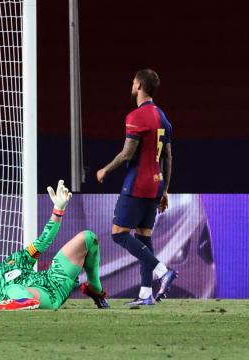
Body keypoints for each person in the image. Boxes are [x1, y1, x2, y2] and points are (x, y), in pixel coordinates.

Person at [0, 180, 110, 310]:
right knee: (12, 289)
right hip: (42, 297)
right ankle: (22, 302)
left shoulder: (16, 259)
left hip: (53, 279)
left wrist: (58, 209)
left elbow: (43, 241)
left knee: (88, 238)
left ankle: (96, 291)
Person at [96, 69, 177, 306]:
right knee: (144, 237)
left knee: (118, 234)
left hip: (137, 184)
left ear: (140, 86)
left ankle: (163, 271)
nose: (131, 86)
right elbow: (168, 157)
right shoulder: (163, 117)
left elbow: (126, 154)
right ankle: (145, 294)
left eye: (133, 83)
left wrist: (105, 170)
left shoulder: (136, 116)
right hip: (155, 185)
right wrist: (164, 190)